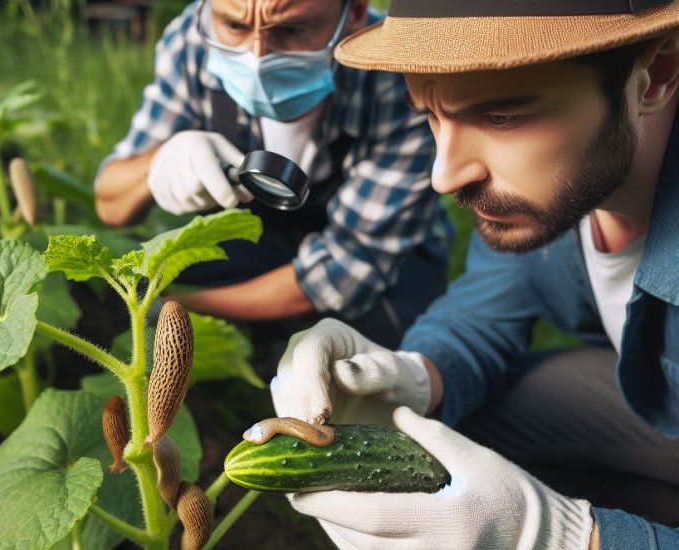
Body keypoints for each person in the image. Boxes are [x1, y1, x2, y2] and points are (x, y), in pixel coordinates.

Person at [269, 1, 679, 548]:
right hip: (657, 399)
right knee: (458, 431)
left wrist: (568, 537)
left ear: (655, 77)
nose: (445, 175)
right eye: (431, 116)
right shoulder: (562, 187)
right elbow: (488, 304)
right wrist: (413, 376)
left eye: (501, 117)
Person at [93, 0, 452, 346]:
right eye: (235, 25)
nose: (257, 58)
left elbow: (350, 269)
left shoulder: (401, 75)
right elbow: (110, 203)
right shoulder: (193, 38)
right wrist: (159, 163)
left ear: (355, 12)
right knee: (144, 274)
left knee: (390, 340)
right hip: (258, 232)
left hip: (384, 251)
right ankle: (269, 336)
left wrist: (179, 309)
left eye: (291, 29)